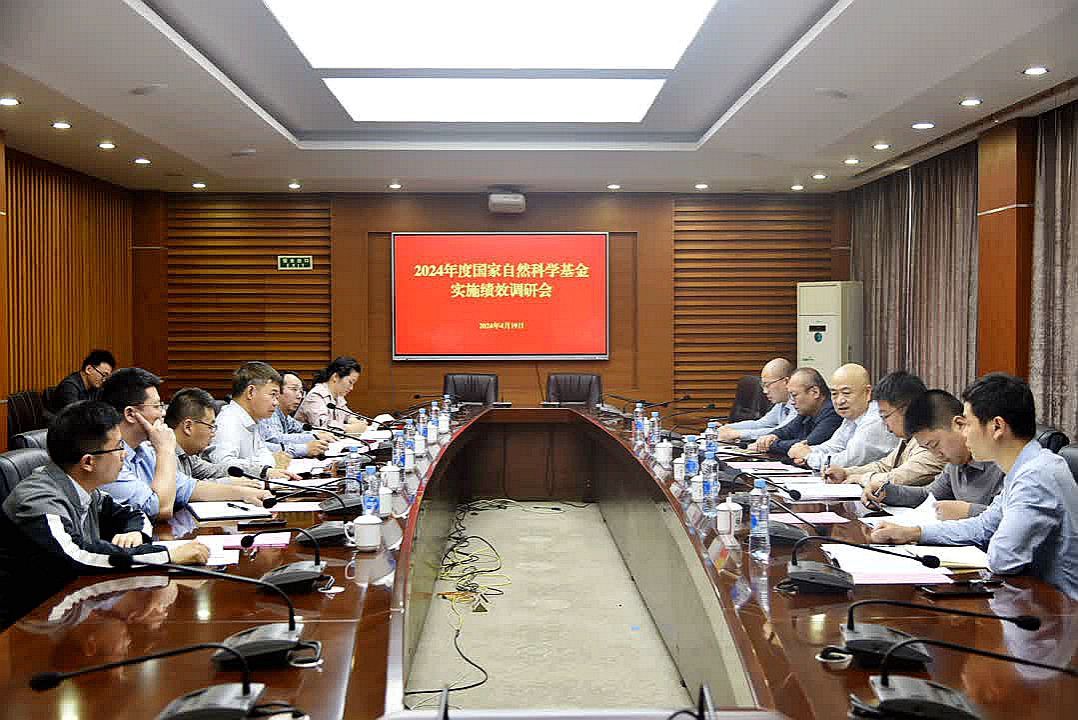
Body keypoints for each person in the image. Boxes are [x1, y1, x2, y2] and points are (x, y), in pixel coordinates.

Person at [0, 401, 209, 629]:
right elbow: (78, 556)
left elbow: (133, 513)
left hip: (70, 607)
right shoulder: (38, 500)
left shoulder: (84, 488)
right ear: (88, 462)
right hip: (28, 626)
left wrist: (136, 533)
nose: (124, 455)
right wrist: (168, 556)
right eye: (118, 447)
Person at [871, 374, 1078, 599]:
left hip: (1061, 608)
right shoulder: (1026, 467)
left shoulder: (1036, 477)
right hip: (1034, 598)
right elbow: (983, 526)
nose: (963, 432)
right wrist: (914, 533)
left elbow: (1003, 558)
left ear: (997, 426)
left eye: (968, 423)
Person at [98, 368, 272, 519]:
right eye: (157, 406)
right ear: (130, 414)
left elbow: (188, 487)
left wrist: (244, 494)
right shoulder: (107, 457)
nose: (162, 413)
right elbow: (161, 509)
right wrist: (165, 450)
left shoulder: (144, 450)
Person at [861, 389, 1004, 520]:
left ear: (959, 425)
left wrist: (968, 511)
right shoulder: (955, 463)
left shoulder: (1000, 462)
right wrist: (887, 491)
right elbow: (929, 495)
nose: (936, 455)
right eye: (927, 449)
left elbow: (1010, 517)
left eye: (935, 445)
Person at [824, 371, 945, 488]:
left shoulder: (931, 442)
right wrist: (846, 473)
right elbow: (884, 466)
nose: (884, 424)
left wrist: (860, 478)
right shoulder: (907, 439)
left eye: (885, 416)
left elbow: (899, 478)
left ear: (906, 410)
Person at [787, 363, 896, 468]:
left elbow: (848, 461)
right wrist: (806, 450)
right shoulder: (852, 417)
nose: (839, 401)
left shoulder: (876, 420)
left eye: (846, 393)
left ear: (867, 392)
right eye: (834, 394)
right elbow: (835, 446)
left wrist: (808, 456)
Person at [209, 362, 301, 480]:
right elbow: (222, 466)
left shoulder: (251, 420)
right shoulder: (228, 422)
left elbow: (265, 456)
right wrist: (266, 466)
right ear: (251, 392)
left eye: (277, 397)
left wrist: (268, 463)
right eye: (273, 395)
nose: (276, 403)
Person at [164, 387, 266, 487]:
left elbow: (216, 470)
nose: (213, 434)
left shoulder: (188, 456)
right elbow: (183, 489)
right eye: (210, 427)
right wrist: (229, 484)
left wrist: (263, 471)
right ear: (188, 427)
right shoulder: (164, 455)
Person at [750, 367, 842, 456]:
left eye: (794, 395)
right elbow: (788, 430)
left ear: (815, 392)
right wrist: (772, 436)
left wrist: (771, 445)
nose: (792, 402)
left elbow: (808, 444)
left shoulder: (833, 412)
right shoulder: (808, 410)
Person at [718, 358, 797, 442]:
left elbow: (780, 432)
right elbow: (761, 423)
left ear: (786, 381)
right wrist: (727, 427)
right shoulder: (782, 403)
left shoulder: (798, 404)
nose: (765, 391)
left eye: (768, 385)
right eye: (763, 385)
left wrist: (738, 434)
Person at [258, 370, 330, 457]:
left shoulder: (285, 416)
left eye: (301, 392)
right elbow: (274, 438)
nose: (300, 396)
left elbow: (301, 428)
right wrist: (314, 438)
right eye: (294, 389)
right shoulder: (269, 412)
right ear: (278, 392)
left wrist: (319, 434)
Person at [295, 356, 368, 434]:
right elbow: (323, 427)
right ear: (335, 377)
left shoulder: (338, 396)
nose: (351, 388)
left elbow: (348, 415)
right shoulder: (315, 396)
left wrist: (356, 421)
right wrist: (349, 428)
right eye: (350, 382)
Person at [49, 349, 116, 412]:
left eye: (107, 377)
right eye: (103, 375)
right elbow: (76, 416)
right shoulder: (68, 387)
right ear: (88, 369)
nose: (104, 380)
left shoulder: (96, 387)